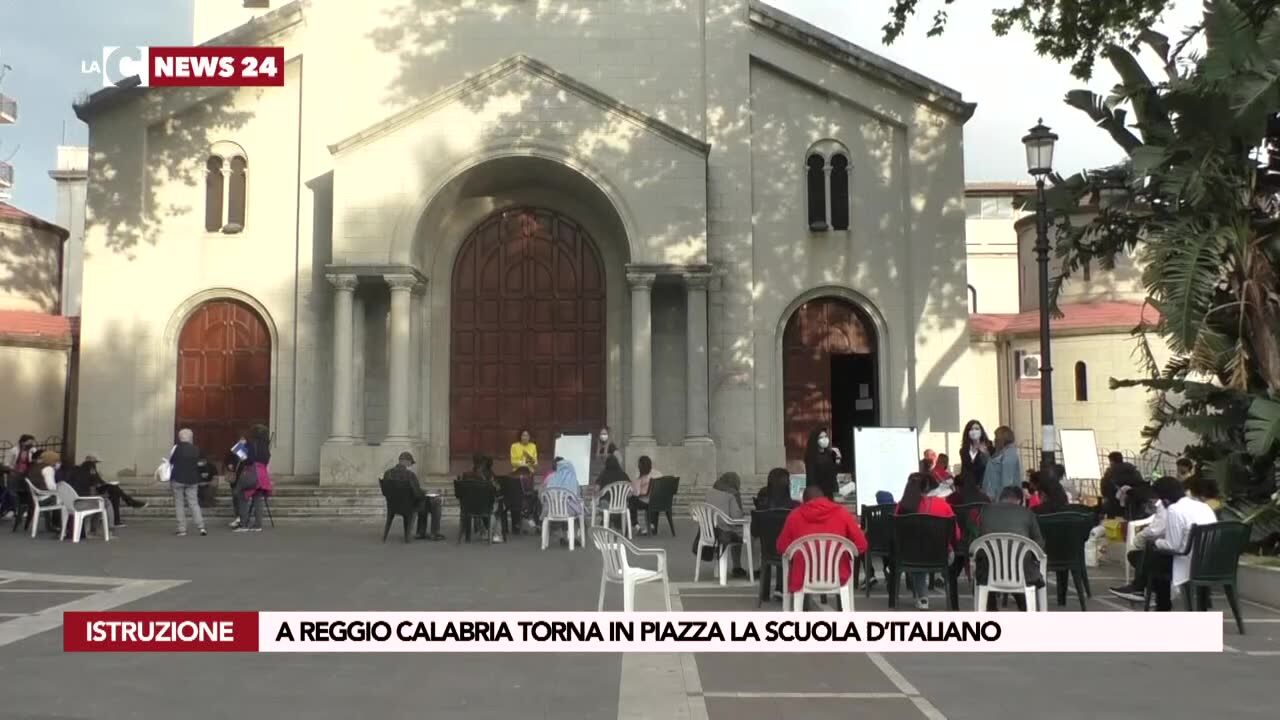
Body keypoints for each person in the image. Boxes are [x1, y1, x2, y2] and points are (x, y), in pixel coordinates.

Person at [776, 485, 869, 607]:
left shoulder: (794, 516)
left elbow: (781, 547)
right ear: (825, 498)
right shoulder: (842, 513)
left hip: (803, 575)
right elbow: (862, 545)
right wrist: (847, 551)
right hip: (838, 574)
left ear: (803, 501)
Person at [1108, 476, 1185, 605]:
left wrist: (1144, 540)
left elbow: (1161, 534)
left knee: (1142, 554)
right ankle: (1142, 588)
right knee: (1150, 553)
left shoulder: (1171, 507)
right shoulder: (1198, 505)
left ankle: (1142, 589)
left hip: (1181, 558)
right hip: (1201, 557)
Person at [974, 485, 1045, 610]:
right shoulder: (1027, 513)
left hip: (989, 572)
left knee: (988, 569)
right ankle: (1027, 610)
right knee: (1021, 570)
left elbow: (977, 543)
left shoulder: (985, 511)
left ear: (1000, 498)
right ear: (1020, 500)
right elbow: (1039, 544)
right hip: (1023, 573)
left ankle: (991, 612)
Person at [896, 472, 959, 609]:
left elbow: (896, 534)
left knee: (917, 551)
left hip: (910, 558)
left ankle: (923, 597)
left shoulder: (902, 506)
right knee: (928, 550)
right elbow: (956, 535)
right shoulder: (944, 506)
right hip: (941, 557)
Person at [1157, 473, 1220, 608]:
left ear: (1165, 499)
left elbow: (1172, 546)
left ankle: (1161, 605)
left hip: (1188, 562)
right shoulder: (1204, 506)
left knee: (1155, 558)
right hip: (1210, 562)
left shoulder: (1174, 509)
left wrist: (1156, 542)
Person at [381, 451, 445, 541]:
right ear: (407, 461)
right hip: (409, 507)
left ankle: (421, 532)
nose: (410, 466)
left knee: (424, 502)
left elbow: (385, 492)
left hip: (393, 506)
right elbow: (417, 494)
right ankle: (434, 533)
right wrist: (428, 493)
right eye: (410, 463)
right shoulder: (410, 475)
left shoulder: (387, 473)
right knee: (435, 501)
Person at [70, 453, 146, 528]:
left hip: (87, 492)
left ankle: (121, 514)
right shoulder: (90, 467)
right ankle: (128, 505)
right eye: (95, 462)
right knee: (114, 489)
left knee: (115, 492)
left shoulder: (80, 468)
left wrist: (104, 482)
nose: (96, 464)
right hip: (89, 494)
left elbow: (95, 481)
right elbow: (94, 483)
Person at [705, 472, 749, 578]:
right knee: (742, 531)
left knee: (737, 529)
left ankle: (719, 565)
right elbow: (736, 516)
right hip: (725, 531)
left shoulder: (710, 492)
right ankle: (737, 566)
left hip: (710, 531)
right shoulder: (732, 494)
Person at [231, 424, 273, 532]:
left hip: (251, 471)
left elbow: (244, 458)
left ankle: (243, 524)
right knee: (257, 497)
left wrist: (240, 446)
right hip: (262, 474)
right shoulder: (265, 445)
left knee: (241, 494)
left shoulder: (250, 443)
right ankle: (258, 525)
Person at [168, 429, 207, 537]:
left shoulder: (176, 449)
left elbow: (171, 461)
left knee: (179, 504)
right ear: (190, 438)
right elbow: (201, 463)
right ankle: (201, 527)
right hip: (192, 479)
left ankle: (182, 529)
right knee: (194, 503)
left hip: (178, 478)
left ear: (180, 438)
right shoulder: (196, 449)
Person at [543, 458, 584, 546]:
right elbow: (576, 496)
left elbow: (544, 494)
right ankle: (574, 537)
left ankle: (561, 536)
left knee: (561, 510)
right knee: (577, 511)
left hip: (551, 510)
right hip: (567, 511)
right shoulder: (573, 481)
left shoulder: (551, 479)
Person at [1100, 451, 1150, 519]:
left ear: (1111, 461)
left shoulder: (1110, 473)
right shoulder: (1133, 470)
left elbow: (1104, 491)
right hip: (1136, 505)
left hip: (1116, 507)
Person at [0, 433, 37, 517]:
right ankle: (15, 509)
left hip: (28, 474)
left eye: (32, 442)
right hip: (14, 473)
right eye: (29, 442)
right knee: (13, 491)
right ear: (22, 442)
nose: (31, 444)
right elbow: (6, 463)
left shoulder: (33, 450)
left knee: (27, 492)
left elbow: (35, 461)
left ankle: (26, 510)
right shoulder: (14, 450)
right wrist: (12, 469)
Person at [983, 426, 1023, 499]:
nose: (994, 440)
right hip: (995, 498)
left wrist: (1004, 500)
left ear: (1002, 438)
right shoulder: (1002, 453)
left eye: (996, 437)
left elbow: (1007, 481)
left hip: (1001, 500)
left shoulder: (1009, 454)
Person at [803, 427, 841, 499]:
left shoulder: (828, 454)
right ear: (815, 440)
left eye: (826, 436)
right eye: (821, 437)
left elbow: (833, 473)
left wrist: (838, 459)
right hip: (817, 494)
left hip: (829, 492)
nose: (824, 439)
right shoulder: (811, 456)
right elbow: (811, 478)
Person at [629, 455, 660, 535]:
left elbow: (636, 493)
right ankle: (652, 525)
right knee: (653, 500)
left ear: (640, 466)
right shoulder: (658, 474)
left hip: (645, 501)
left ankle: (636, 525)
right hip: (657, 501)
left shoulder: (639, 476)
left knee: (631, 500)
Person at [959, 419, 991, 486]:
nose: (974, 431)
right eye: (971, 429)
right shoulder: (964, 450)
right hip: (968, 487)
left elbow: (990, 466)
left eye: (977, 429)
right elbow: (964, 470)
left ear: (981, 431)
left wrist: (985, 453)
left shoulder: (989, 446)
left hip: (984, 485)